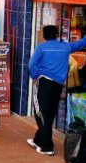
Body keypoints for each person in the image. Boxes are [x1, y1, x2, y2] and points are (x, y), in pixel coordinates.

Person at [28, 25, 86, 155]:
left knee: (41, 113)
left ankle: (47, 147)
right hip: (58, 85)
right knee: (49, 113)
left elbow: (32, 64)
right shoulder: (66, 47)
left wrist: (34, 75)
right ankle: (38, 140)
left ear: (44, 36)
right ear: (57, 35)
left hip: (44, 83)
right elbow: (82, 43)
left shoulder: (41, 47)